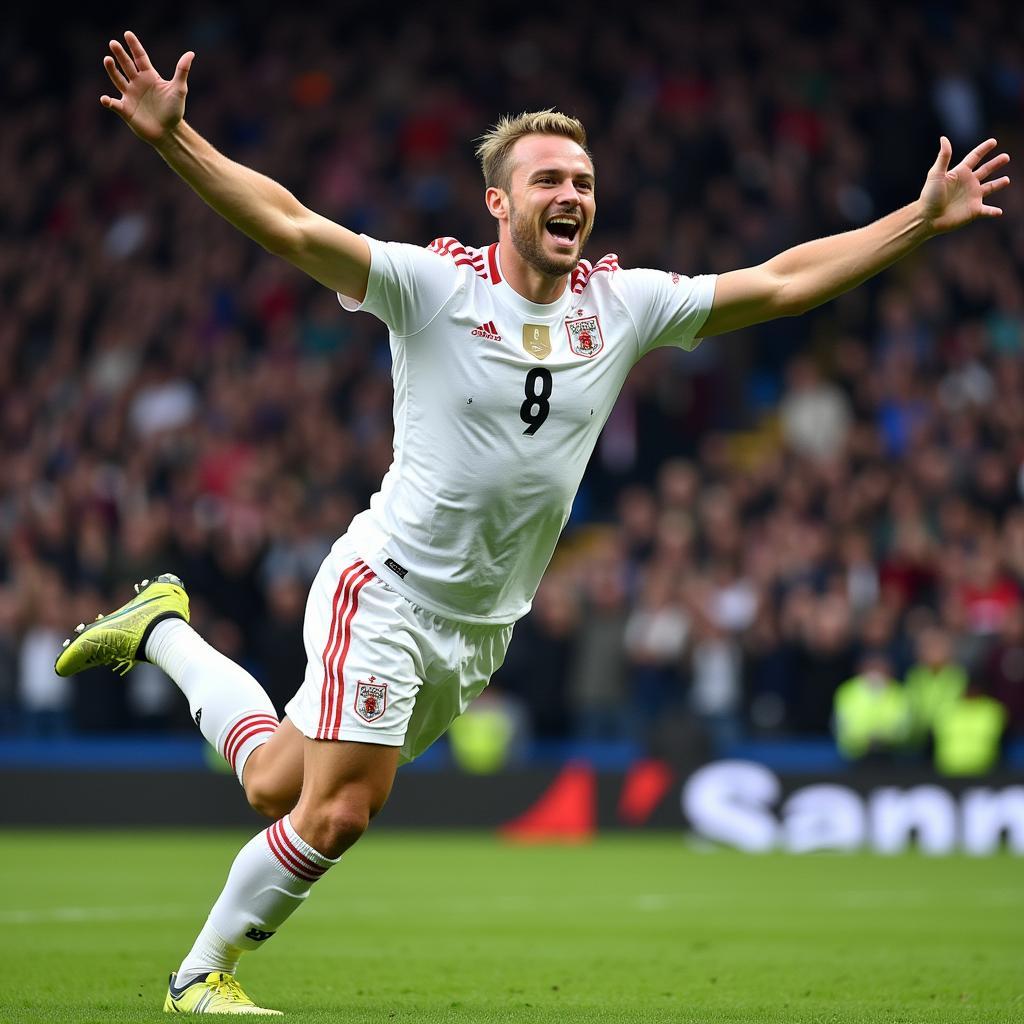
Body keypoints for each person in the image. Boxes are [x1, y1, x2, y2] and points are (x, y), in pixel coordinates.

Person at [55, 29, 1010, 1015]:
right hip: (384, 586)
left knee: (276, 788)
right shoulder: (434, 289)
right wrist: (175, 141)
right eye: (549, 178)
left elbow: (777, 283)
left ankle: (161, 626)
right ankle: (197, 977)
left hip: (478, 627)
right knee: (340, 811)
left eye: (585, 180)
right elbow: (293, 227)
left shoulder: (623, 308)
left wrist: (919, 221)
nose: (572, 195)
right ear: (498, 203)